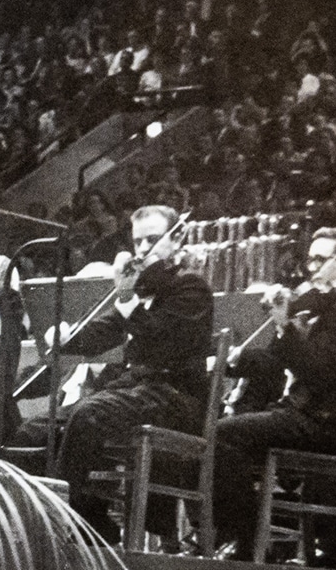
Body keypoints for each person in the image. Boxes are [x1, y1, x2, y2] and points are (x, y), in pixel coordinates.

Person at [213, 227, 336, 562]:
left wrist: (287, 327)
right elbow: (274, 360)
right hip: (300, 415)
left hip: (324, 424)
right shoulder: (323, 306)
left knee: (226, 435)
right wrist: (231, 360)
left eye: (320, 259)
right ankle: (246, 537)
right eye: (310, 260)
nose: (311, 268)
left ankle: (246, 540)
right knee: (222, 428)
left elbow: (318, 373)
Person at [52, 204, 214, 543]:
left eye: (152, 240)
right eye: (137, 242)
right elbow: (106, 330)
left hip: (176, 396)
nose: (142, 250)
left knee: (89, 412)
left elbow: (165, 343)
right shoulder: (142, 291)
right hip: (140, 392)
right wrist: (67, 340)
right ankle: (83, 519)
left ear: (178, 238)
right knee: (43, 427)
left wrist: (127, 300)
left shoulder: (191, 287)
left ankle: (78, 522)